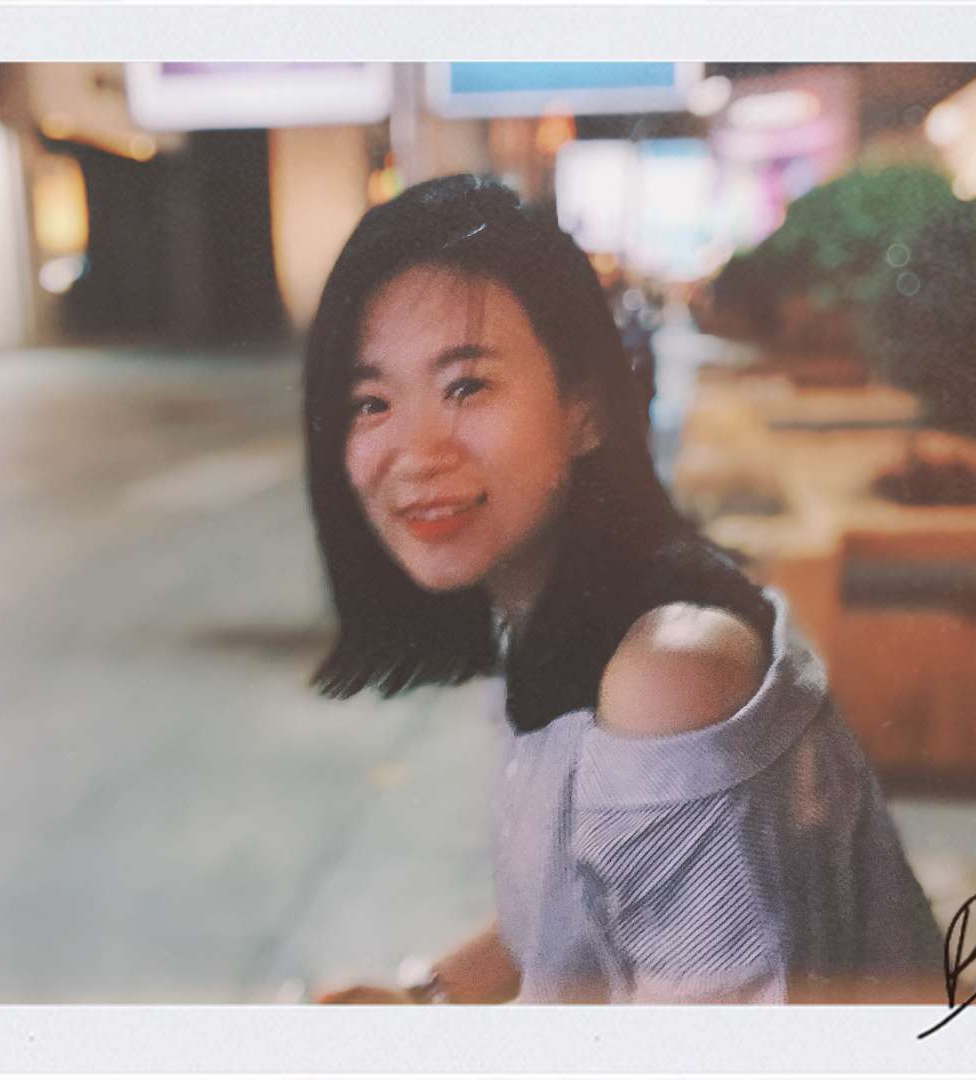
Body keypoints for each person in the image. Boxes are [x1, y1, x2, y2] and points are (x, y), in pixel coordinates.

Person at [304, 174, 942, 1005]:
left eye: (466, 386)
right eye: (371, 401)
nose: (417, 452)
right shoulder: (546, 618)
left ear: (586, 408)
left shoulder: (666, 679)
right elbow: (576, 915)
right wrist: (423, 1001)